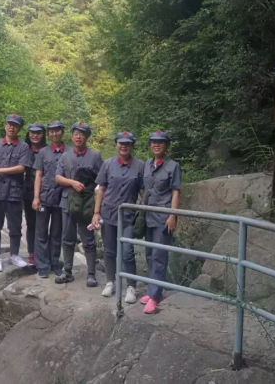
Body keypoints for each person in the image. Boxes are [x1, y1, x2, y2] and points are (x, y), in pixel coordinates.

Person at [92, 132, 144, 304]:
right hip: (108, 213)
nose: (124, 146)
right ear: (116, 145)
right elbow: (101, 190)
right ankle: (111, 281)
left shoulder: (139, 166)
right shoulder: (108, 164)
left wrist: (144, 212)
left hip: (128, 216)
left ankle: (131, 286)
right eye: (121, 143)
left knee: (128, 251)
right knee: (109, 250)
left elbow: (143, 192)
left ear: (132, 146)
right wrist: (96, 213)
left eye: (127, 143)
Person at [54, 122, 104, 287]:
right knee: (67, 238)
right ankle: (67, 271)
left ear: (87, 137)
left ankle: (91, 274)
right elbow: (58, 177)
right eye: (76, 133)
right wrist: (72, 182)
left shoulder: (95, 156)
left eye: (82, 133)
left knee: (88, 239)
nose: (78, 136)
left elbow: (102, 181)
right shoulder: (65, 156)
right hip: (68, 200)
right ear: (72, 135)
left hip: (87, 203)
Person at [140, 130, 181, 314]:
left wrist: (172, 215)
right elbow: (144, 189)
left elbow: (175, 191)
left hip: (163, 218)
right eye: (153, 142)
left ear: (166, 145)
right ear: (150, 145)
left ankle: (155, 296)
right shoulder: (147, 165)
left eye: (161, 142)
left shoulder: (173, 166)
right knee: (149, 254)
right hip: (148, 216)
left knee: (159, 255)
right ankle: (152, 290)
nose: (157, 145)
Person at [0, 114, 32, 272]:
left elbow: (22, 167)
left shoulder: (23, 147)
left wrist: (0, 170)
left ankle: (14, 255)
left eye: (15, 125)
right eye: (9, 124)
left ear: (19, 128)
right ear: (5, 126)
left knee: (15, 226)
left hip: (14, 191)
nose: (11, 127)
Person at [32, 120, 66, 278]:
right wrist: (36, 197)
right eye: (51, 131)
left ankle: (55, 263)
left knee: (57, 232)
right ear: (48, 133)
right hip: (44, 197)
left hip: (61, 198)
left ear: (62, 132)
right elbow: (38, 175)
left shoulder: (69, 152)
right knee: (41, 232)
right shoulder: (43, 152)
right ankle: (42, 265)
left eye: (57, 131)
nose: (54, 134)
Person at [23, 122, 46, 266]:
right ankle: (32, 253)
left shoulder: (47, 150)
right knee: (31, 224)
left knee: (43, 225)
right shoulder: (24, 150)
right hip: (27, 192)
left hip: (45, 192)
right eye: (32, 132)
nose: (35, 135)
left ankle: (43, 253)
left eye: (38, 133)